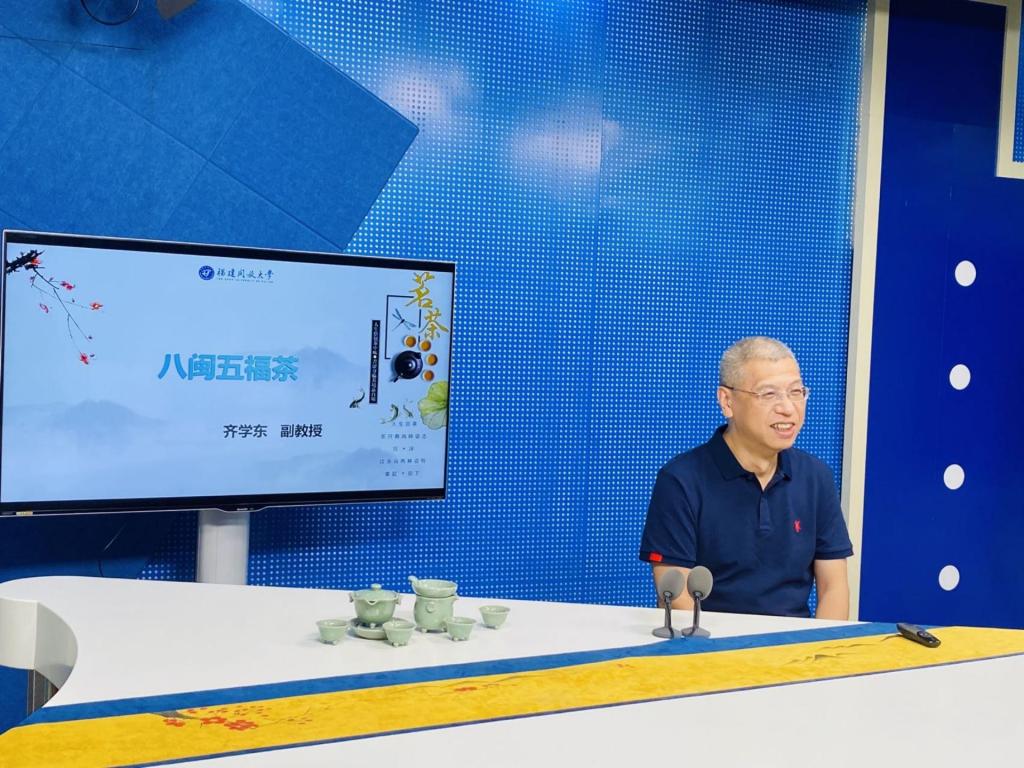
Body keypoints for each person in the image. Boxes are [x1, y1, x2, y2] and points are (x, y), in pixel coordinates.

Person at [638, 336, 853, 619]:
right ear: (727, 401)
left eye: (796, 392)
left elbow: (833, 587)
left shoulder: (816, 477)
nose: (788, 408)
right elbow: (677, 598)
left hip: (795, 643)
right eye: (769, 394)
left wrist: (822, 645)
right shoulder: (681, 480)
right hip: (710, 641)